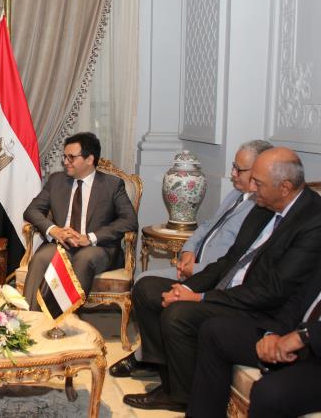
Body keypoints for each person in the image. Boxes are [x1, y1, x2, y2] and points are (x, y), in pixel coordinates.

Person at [122, 147, 321, 412]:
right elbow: (230, 260)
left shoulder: (312, 221)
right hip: (230, 287)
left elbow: (272, 291)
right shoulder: (264, 206)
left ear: (284, 187)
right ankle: (170, 382)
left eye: (258, 183)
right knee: (147, 288)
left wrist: (199, 297)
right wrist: (185, 287)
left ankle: (182, 396)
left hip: (256, 305)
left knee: (178, 314)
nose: (252, 188)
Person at [110, 139, 272, 378]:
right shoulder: (237, 194)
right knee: (144, 280)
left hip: (211, 276)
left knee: (147, 284)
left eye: (239, 169)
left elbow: (235, 261)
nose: (232, 174)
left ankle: (149, 358)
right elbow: (207, 225)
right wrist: (188, 251)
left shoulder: (263, 209)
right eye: (233, 166)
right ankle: (154, 358)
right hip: (194, 264)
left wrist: (195, 270)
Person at [22, 132, 138, 310]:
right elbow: (31, 210)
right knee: (40, 258)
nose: (66, 162)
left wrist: (90, 238)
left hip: (98, 248)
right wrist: (54, 230)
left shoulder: (112, 185)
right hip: (61, 244)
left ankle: (61, 318)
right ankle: (29, 320)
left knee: (84, 258)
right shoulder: (56, 181)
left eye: (71, 157)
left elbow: (129, 220)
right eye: (64, 157)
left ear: (89, 159)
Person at [188, 268, 321, 417]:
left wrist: (305, 335)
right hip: (295, 337)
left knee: (268, 392)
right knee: (214, 331)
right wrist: (272, 334)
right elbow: (296, 302)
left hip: (314, 352)